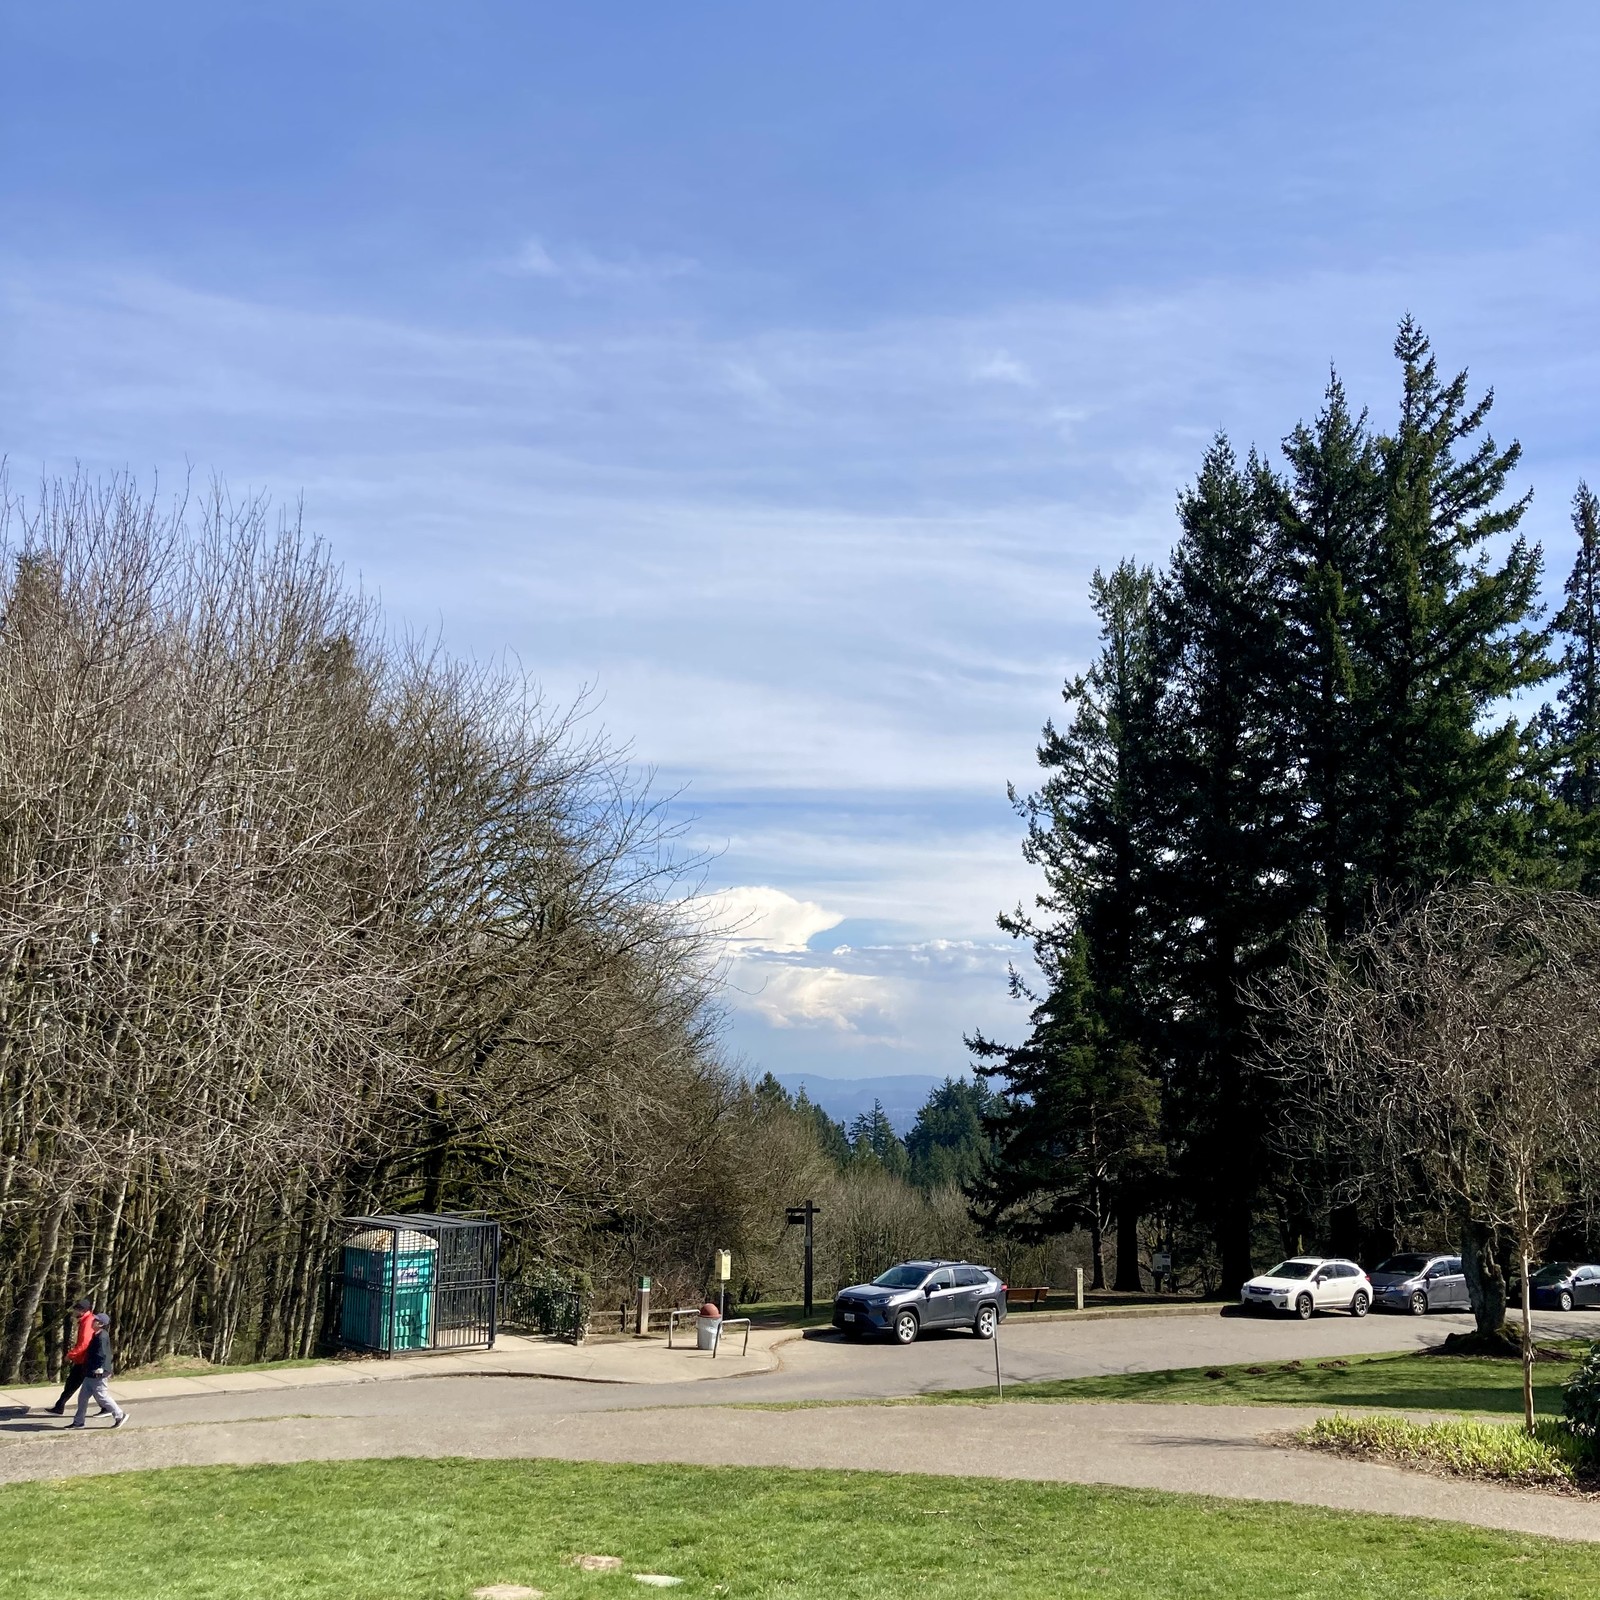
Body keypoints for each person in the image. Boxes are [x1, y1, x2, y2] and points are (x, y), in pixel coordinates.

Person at [70, 1313, 126, 1429]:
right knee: (82, 1398)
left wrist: (101, 1368)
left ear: (100, 1324)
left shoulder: (102, 1337)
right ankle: (78, 1422)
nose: (92, 1321)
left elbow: (103, 1354)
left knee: (102, 1396)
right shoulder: (96, 1335)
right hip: (90, 1372)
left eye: (95, 1320)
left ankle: (120, 1415)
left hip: (98, 1373)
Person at [47, 1299, 98, 1416]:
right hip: (83, 1359)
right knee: (74, 1383)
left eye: (76, 1309)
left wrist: (71, 1355)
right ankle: (59, 1406)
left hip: (85, 1360)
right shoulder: (86, 1320)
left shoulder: (87, 1323)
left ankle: (110, 1409)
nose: (74, 1311)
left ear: (82, 1311)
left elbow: (84, 1344)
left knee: (84, 1385)